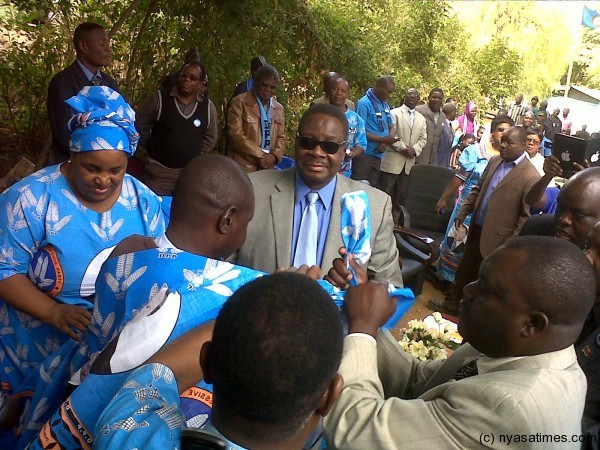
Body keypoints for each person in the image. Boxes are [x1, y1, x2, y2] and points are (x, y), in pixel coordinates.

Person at [0, 86, 165, 446]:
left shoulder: (144, 202)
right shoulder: (30, 199)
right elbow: (4, 269)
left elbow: (158, 265)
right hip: (28, 348)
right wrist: (52, 312)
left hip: (95, 361)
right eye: (91, 167)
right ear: (73, 156)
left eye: (115, 171)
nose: (103, 180)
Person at [324, 236, 595, 449]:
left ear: (532, 324)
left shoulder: (507, 404)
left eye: (486, 289)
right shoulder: (510, 347)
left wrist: (362, 329)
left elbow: (355, 431)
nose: (467, 289)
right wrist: (360, 312)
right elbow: (418, 382)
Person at [93, 272, 344, 449]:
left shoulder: (126, 432)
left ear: (207, 363)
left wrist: (269, 303)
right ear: (331, 395)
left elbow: (161, 371)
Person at [235, 103, 403, 288]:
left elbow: (391, 289)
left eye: (330, 146)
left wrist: (359, 289)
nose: (317, 152)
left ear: (344, 149)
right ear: (297, 142)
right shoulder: (250, 189)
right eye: (308, 142)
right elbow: (217, 271)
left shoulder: (375, 206)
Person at [429, 126, 540, 315]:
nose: (503, 145)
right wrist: (463, 212)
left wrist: (510, 244)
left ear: (523, 145)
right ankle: (451, 304)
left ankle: (471, 314)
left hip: (499, 239)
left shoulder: (530, 176)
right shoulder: (495, 161)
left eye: (509, 142)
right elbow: (478, 189)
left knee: (484, 277)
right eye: (502, 140)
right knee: (464, 268)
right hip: (477, 227)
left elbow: (525, 216)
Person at [432, 116, 513, 293]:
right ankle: (446, 283)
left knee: (473, 251)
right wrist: (444, 198)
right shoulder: (476, 151)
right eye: (500, 130)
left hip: (488, 214)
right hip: (466, 207)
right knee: (455, 244)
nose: (503, 134)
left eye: (508, 131)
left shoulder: (510, 160)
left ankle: (463, 286)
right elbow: (459, 177)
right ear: (492, 132)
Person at [136, 62, 218, 196]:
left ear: (201, 84)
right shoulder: (160, 99)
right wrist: (152, 148)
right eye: (184, 75)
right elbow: (140, 125)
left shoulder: (207, 108)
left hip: (188, 174)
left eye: (193, 78)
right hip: (158, 174)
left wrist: (192, 151)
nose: (187, 79)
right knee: (155, 212)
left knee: (184, 213)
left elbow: (210, 139)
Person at [47, 22, 119, 165]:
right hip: (71, 163)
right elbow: (64, 132)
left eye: (108, 43)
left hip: (106, 164)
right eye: (102, 44)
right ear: (83, 46)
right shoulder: (63, 82)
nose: (108, 49)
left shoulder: (109, 83)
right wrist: (94, 161)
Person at [377, 88, 427, 219]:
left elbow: (423, 139)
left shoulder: (421, 119)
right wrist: (403, 148)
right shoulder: (394, 113)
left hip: (408, 165)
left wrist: (414, 150)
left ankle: (394, 225)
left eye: (415, 95)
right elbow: (389, 134)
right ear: (405, 97)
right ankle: (378, 220)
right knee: (384, 194)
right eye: (409, 94)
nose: (412, 97)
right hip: (392, 162)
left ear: (418, 100)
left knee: (399, 198)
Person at [227, 64, 286, 172]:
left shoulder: (278, 108)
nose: (268, 90)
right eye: (264, 85)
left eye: (272, 87)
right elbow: (235, 134)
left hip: (268, 167)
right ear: (255, 82)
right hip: (243, 167)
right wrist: (260, 155)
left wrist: (274, 156)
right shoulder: (239, 102)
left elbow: (281, 138)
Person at [522, 165, 600, 248]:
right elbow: (532, 200)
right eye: (560, 208)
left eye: (578, 214)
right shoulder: (535, 229)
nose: (563, 219)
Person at [352, 76, 396, 186]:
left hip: (378, 155)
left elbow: (392, 126)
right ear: (379, 86)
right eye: (387, 92)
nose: (389, 96)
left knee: (372, 189)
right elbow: (359, 131)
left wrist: (386, 142)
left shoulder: (384, 104)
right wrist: (382, 139)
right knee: (358, 187)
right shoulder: (364, 104)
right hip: (364, 155)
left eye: (391, 93)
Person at [329, 77, 366, 178]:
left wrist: (353, 152)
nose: (338, 93)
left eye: (343, 91)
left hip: (344, 172)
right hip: (320, 167)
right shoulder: (319, 114)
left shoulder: (356, 119)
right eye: (335, 89)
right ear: (329, 91)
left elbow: (362, 144)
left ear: (347, 94)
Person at [416, 88, 449, 165]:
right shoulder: (419, 111)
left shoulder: (443, 116)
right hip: (417, 156)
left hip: (432, 159)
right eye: (434, 97)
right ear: (429, 98)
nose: (436, 100)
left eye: (439, 98)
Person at [436, 102, 457, 167]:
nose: (456, 114)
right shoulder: (439, 124)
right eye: (455, 112)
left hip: (445, 162)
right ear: (450, 112)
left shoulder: (450, 125)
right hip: (437, 161)